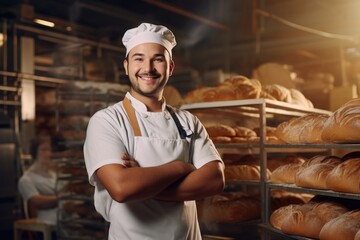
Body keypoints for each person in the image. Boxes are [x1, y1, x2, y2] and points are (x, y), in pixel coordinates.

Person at [83, 22, 225, 240]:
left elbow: (215, 179)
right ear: (126, 66)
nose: (147, 68)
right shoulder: (107, 121)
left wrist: (144, 185)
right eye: (138, 58)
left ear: (170, 67)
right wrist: (182, 167)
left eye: (157, 59)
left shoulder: (188, 121)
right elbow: (122, 188)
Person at [18, 135, 58, 225]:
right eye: (43, 150)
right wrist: (62, 198)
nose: (47, 154)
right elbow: (37, 202)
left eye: (49, 150)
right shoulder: (26, 180)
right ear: (35, 152)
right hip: (49, 221)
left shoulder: (54, 175)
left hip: (67, 219)